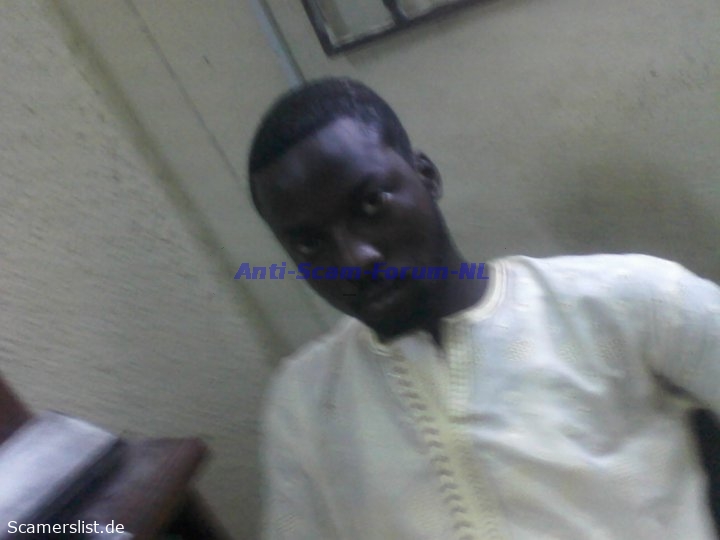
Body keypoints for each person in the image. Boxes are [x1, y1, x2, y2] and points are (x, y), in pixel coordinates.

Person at [248, 77, 720, 539]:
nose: (354, 258)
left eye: (371, 203)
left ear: (426, 176)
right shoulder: (304, 402)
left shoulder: (626, 301)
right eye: (309, 243)